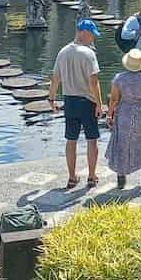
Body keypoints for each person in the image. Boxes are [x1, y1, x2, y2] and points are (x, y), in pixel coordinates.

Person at [48, 20, 104, 189]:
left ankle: (72, 178)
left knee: (70, 140)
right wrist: (99, 104)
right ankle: (92, 177)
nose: (93, 38)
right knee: (92, 140)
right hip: (87, 101)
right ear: (84, 32)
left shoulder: (63, 52)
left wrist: (51, 99)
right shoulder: (88, 54)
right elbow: (94, 82)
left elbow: (55, 78)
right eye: (92, 34)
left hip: (69, 101)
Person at [105, 48, 141, 190]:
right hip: (140, 114)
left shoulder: (118, 78)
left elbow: (114, 99)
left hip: (123, 114)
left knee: (121, 143)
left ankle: (121, 177)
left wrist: (109, 115)